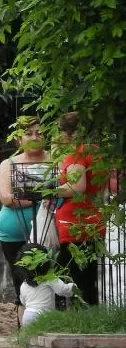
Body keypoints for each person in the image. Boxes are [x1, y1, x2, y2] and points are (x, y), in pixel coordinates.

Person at [54, 112, 108, 306]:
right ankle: (87, 316)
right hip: (93, 220)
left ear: (66, 133)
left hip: (75, 224)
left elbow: (77, 187)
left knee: (68, 278)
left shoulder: (77, 153)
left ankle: (77, 320)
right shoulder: (98, 152)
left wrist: (49, 190)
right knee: (87, 278)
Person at [0, 116, 51, 306]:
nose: (34, 137)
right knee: (22, 282)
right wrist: (43, 196)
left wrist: (24, 197)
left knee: (53, 279)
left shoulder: (56, 161)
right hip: (14, 234)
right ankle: (24, 328)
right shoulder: (9, 164)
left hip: (50, 232)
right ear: (19, 139)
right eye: (28, 134)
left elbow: (66, 191)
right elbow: (6, 198)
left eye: (39, 132)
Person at [16, 243, 76, 326]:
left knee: (32, 338)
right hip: (42, 316)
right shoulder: (50, 278)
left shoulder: (24, 284)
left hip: (27, 316)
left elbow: (23, 301)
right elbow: (63, 290)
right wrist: (73, 286)